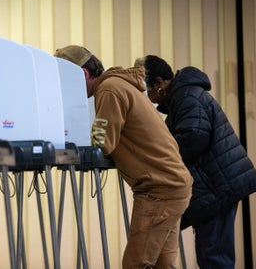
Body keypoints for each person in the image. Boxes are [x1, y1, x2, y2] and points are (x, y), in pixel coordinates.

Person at [54, 45, 193, 268]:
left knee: (135, 264)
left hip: (158, 191)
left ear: (83, 74)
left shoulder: (109, 89)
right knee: (163, 264)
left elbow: (102, 141)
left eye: (65, 82)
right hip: (174, 185)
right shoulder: (122, 85)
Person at [135, 55, 256, 268]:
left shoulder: (186, 97)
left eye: (144, 89)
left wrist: (159, 155)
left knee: (214, 256)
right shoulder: (183, 97)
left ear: (158, 83)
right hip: (218, 183)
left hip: (218, 185)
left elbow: (194, 137)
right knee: (211, 252)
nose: (145, 96)